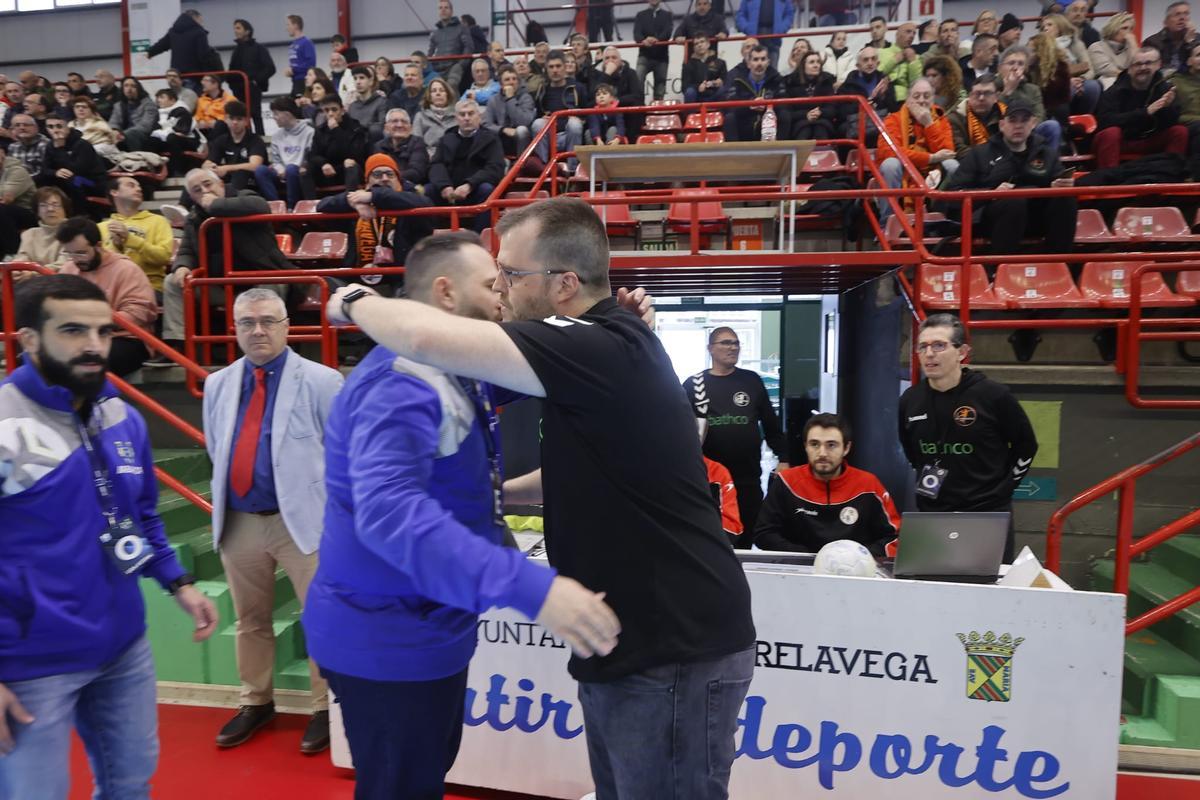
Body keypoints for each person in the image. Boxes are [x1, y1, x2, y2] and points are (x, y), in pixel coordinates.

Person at [325, 198, 755, 799]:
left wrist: (353, 299)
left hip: (669, 647)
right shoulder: (607, 341)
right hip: (635, 642)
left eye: (511, 273)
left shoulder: (589, 345)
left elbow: (422, 335)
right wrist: (491, 493)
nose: (502, 287)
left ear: (564, 285)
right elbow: (582, 470)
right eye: (493, 275)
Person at [0, 274, 217, 800]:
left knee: (130, 785)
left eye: (103, 331)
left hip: (124, 648)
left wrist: (177, 582)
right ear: (30, 339)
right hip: (30, 664)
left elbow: (138, 513)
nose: (94, 346)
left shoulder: (119, 413)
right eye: (73, 331)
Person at [200, 287, 342, 753]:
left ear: (286, 325)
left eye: (268, 321)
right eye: (247, 323)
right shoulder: (218, 384)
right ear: (235, 328)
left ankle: (326, 708)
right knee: (250, 619)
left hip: (302, 521)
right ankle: (256, 701)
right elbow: (216, 449)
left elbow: (343, 457)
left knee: (321, 619)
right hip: (239, 520)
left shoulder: (323, 381)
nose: (257, 330)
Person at [898, 314, 1038, 562]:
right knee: (931, 592)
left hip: (986, 514)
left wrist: (1004, 488)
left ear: (961, 352)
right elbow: (912, 452)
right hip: (932, 513)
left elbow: (1026, 446)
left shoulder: (993, 396)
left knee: (985, 592)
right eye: (923, 346)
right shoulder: (910, 400)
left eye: (939, 345)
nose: (929, 353)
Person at [153, 168, 291, 360]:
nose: (204, 191)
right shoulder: (194, 217)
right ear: (191, 197)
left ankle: (268, 347)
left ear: (220, 183)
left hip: (259, 281)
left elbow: (260, 206)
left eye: (207, 184)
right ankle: (177, 346)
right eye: (196, 190)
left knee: (272, 284)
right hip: (218, 286)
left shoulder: (245, 196)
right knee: (171, 283)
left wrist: (215, 205)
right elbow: (186, 251)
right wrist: (182, 266)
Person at [683, 325, 787, 542]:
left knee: (746, 539)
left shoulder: (751, 381)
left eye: (736, 343)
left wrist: (784, 458)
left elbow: (771, 424)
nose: (733, 347)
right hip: (709, 483)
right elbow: (679, 431)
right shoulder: (694, 384)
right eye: (726, 343)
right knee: (712, 540)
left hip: (748, 480)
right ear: (710, 348)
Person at [755, 413, 900, 556]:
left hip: (855, 572)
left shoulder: (869, 485)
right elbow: (763, 534)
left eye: (831, 445)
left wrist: (858, 556)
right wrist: (810, 558)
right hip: (800, 571)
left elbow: (895, 538)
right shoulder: (786, 482)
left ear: (846, 448)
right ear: (806, 446)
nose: (822, 453)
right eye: (814, 444)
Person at [943, 98, 1076, 254]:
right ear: (1002, 125)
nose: (1018, 125)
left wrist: (1060, 186)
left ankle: (1060, 265)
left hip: (1038, 218)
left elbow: (1059, 182)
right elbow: (953, 196)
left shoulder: (1047, 154)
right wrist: (991, 194)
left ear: (1033, 123)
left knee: (1066, 199)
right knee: (1013, 201)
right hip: (992, 220)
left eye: (1024, 120)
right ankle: (1001, 268)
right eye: (1012, 120)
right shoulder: (979, 154)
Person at [316, 152, 433, 296]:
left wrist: (375, 195)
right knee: (327, 286)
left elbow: (427, 205)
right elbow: (322, 205)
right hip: (359, 279)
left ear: (398, 180)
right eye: (377, 175)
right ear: (367, 182)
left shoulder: (411, 200)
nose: (384, 179)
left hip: (401, 280)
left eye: (390, 174)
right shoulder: (358, 202)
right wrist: (352, 203)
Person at [53, 217, 158, 376]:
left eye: (81, 253)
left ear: (99, 246)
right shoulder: (68, 270)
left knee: (90, 363)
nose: (75, 260)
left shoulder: (126, 269)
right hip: (80, 338)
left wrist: (97, 322)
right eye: (70, 254)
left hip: (126, 339)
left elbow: (140, 312)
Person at [1094, 46, 1188, 168]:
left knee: (1179, 132)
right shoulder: (1115, 91)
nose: (1142, 68)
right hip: (1122, 141)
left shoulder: (1166, 89)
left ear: (1158, 65)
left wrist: (1167, 108)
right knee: (1110, 133)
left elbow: (1172, 123)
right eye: (1137, 64)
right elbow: (1104, 121)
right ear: (1129, 69)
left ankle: (1168, 176)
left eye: (1148, 63)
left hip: (1151, 140)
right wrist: (1145, 112)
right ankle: (1109, 182)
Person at [428, 99, 505, 231]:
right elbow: (436, 165)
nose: (466, 118)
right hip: (448, 191)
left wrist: (469, 185)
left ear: (479, 116)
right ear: (456, 118)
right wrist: (444, 186)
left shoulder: (491, 138)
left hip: (475, 190)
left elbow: (495, 168)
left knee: (486, 190)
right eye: (462, 114)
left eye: (471, 114)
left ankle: (481, 239)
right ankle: (428, 238)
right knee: (428, 191)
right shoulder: (446, 138)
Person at [99, 175, 173, 295]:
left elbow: (163, 257)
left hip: (149, 286)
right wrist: (116, 246)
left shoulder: (159, 221)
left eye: (139, 187)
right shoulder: (100, 227)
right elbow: (98, 263)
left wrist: (130, 239)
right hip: (111, 287)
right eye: (131, 185)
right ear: (114, 192)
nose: (139, 189)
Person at [997, 45, 1062, 155]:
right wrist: (1008, 90)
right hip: (1002, 133)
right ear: (999, 68)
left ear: (1025, 69)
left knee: (1052, 126)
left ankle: (1050, 166)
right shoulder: (991, 86)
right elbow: (995, 116)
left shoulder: (1033, 89)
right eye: (1011, 63)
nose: (1015, 67)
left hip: (1030, 132)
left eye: (1021, 64)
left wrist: (1025, 128)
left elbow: (1039, 116)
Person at [37, 117, 108, 216]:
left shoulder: (82, 144)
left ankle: (81, 215)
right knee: (40, 179)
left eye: (59, 126)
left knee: (74, 180)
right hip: (67, 178)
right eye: (50, 127)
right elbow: (44, 169)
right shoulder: (50, 145)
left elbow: (78, 170)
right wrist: (55, 172)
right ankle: (43, 214)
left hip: (93, 182)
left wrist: (60, 148)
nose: (55, 130)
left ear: (68, 127)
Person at [255, 96, 315, 210]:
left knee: (292, 168)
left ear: (287, 114)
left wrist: (296, 168)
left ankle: (292, 207)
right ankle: (277, 206)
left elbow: (310, 156)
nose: (274, 117)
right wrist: (280, 169)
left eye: (276, 114)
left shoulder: (309, 132)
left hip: (300, 174)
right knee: (260, 170)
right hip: (282, 173)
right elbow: (276, 160)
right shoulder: (277, 136)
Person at [201, 100, 268, 193]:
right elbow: (207, 163)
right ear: (225, 119)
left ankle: (232, 203)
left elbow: (255, 166)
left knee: (240, 173)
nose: (235, 122)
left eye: (239, 119)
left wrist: (226, 168)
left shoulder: (255, 140)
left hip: (250, 182)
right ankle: (183, 205)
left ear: (246, 121)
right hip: (229, 179)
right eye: (231, 118)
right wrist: (210, 167)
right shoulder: (221, 140)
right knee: (197, 175)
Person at [723, 43, 785, 142]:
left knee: (784, 115)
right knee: (729, 118)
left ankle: (783, 149)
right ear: (748, 63)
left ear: (768, 62)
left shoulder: (777, 80)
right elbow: (729, 107)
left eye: (763, 59)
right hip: (745, 126)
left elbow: (784, 105)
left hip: (768, 125)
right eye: (755, 60)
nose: (759, 63)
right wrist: (750, 105)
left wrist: (767, 106)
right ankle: (734, 154)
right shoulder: (737, 81)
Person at [532, 50, 584, 166]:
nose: (555, 70)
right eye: (551, 67)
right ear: (546, 69)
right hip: (549, 137)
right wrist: (543, 118)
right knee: (538, 123)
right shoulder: (542, 90)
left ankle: (572, 170)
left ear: (565, 67)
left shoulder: (577, 88)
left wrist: (579, 117)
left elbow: (588, 114)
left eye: (558, 66)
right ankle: (543, 168)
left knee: (574, 124)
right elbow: (537, 115)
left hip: (571, 136)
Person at [309, 94, 369, 192]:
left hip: (351, 169)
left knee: (350, 163)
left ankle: (350, 200)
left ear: (342, 110)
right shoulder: (321, 130)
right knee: (305, 169)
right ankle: (310, 204)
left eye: (334, 109)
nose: (330, 113)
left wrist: (336, 130)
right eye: (326, 110)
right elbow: (312, 155)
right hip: (328, 171)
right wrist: (324, 164)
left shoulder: (355, 127)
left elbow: (356, 154)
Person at [838, 46, 899, 143]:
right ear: (858, 65)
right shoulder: (847, 86)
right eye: (865, 60)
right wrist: (864, 105)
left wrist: (883, 97)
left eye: (873, 59)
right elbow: (841, 113)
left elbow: (894, 109)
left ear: (877, 63)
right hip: (857, 125)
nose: (870, 63)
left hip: (881, 122)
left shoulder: (885, 82)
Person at [229, 19, 276, 135]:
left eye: (238, 28)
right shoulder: (236, 50)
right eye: (235, 28)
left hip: (253, 88)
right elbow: (232, 70)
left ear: (247, 31)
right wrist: (232, 84)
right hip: (238, 89)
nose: (235, 31)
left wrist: (256, 81)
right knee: (240, 116)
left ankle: (260, 140)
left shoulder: (259, 48)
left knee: (255, 114)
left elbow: (270, 68)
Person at [784, 51, 839, 139]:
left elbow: (832, 108)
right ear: (803, 66)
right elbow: (787, 112)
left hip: (822, 121)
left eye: (818, 62)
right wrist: (806, 114)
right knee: (804, 131)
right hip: (800, 123)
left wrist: (820, 112)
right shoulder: (790, 83)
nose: (816, 65)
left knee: (820, 129)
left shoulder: (827, 81)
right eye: (811, 62)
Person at [484, 65, 536, 157]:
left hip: (521, 139)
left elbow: (523, 121)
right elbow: (486, 124)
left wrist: (510, 99)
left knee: (521, 130)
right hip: (501, 137)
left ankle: (521, 165)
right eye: (507, 80)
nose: (511, 82)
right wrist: (502, 130)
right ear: (501, 84)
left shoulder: (526, 98)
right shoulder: (493, 100)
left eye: (514, 79)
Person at [146, 88, 200, 177]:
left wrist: (163, 132)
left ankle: (178, 170)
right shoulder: (159, 113)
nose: (159, 100)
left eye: (162, 97)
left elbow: (182, 131)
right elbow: (154, 130)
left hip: (188, 140)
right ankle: (154, 170)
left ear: (172, 100)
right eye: (158, 98)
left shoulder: (182, 111)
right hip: (167, 139)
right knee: (151, 140)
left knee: (172, 138)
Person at [146, 9, 214, 78]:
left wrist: (149, 53)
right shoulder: (199, 32)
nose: (201, 24)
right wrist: (208, 73)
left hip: (177, 74)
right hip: (194, 74)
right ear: (195, 18)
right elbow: (203, 55)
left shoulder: (173, 31)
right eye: (201, 21)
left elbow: (161, 45)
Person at [373, 108, 431, 189]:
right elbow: (376, 173)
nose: (399, 125)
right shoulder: (378, 146)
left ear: (410, 128)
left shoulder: (418, 143)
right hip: (384, 188)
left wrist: (389, 177)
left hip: (410, 188)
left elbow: (416, 173)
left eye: (404, 122)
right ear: (386, 128)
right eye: (394, 121)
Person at [13, 187, 68, 270]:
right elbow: (21, 259)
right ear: (37, 211)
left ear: (65, 209)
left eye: (56, 205)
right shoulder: (29, 234)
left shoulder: (72, 233)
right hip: (29, 279)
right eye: (43, 205)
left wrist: (33, 274)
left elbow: (63, 265)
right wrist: (17, 270)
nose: (50, 209)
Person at [949, 77, 1003, 156]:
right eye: (977, 93)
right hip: (969, 163)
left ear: (997, 96)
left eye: (987, 93)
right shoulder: (956, 118)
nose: (981, 98)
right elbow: (959, 150)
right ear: (970, 95)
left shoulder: (1005, 115)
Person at [429, 0, 475, 91]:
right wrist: (431, 65)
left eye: (446, 7)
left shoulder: (461, 28)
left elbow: (469, 47)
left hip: (454, 66)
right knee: (433, 89)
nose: (443, 10)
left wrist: (460, 65)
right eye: (440, 8)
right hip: (438, 68)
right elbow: (430, 52)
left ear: (451, 11)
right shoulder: (435, 33)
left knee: (451, 87)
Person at [0, 148, 37, 260]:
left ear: (2, 153)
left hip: (29, 214)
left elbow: (6, 197)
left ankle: (13, 253)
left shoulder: (17, 170)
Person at [1144, 1, 1199, 75]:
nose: (1182, 18)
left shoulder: (1197, 39)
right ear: (1166, 22)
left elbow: (1196, 65)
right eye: (1177, 14)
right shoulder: (1153, 42)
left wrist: (1191, 42)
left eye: (1186, 14)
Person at [634, 0, 673, 102]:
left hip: (662, 56)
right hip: (644, 55)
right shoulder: (640, 15)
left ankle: (658, 110)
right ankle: (639, 108)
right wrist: (643, 40)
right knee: (638, 82)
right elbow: (637, 33)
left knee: (660, 87)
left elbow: (668, 32)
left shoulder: (667, 15)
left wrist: (657, 40)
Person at [735, 0, 795, 67]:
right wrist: (747, 28)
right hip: (754, 38)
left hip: (774, 38)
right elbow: (741, 15)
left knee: (772, 70)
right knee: (752, 67)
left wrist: (781, 29)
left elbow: (789, 14)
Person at [412, 77, 459, 159]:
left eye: (441, 90)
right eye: (434, 91)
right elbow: (416, 144)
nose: (438, 93)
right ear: (429, 96)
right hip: (429, 158)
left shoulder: (458, 116)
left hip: (454, 157)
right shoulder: (420, 116)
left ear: (447, 94)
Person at [1090, 12, 1139, 90]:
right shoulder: (1097, 46)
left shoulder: (1131, 47)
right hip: (1105, 81)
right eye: (1125, 28)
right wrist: (1129, 78)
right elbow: (1107, 70)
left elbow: (1137, 66)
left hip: (1127, 80)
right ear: (1113, 29)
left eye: (1131, 29)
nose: (1129, 32)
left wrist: (1133, 46)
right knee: (1110, 81)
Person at [108, 77, 157, 150]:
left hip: (143, 137)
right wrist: (114, 131)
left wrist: (124, 134)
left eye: (133, 86)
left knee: (129, 136)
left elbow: (146, 126)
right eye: (126, 86)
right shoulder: (118, 105)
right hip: (122, 137)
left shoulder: (148, 104)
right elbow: (113, 122)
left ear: (139, 89)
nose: (129, 89)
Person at [880, 21, 924, 101]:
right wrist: (894, 61)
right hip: (884, 97)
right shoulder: (882, 52)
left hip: (906, 100)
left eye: (914, 33)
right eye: (908, 32)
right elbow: (876, 75)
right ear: (897, 34)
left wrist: (913, 62)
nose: (911, 36)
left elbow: (917, 84)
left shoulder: (916, 58)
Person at [682, 33, 728, 104]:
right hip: (697, 96)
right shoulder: (688, 65)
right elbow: (684, 86)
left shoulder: (720, 62)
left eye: (702, 42)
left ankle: (723, 115)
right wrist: (698, 87)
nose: (699, 45)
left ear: (708, 44)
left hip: (714, 94)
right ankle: (689, 115)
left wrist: (715, 83)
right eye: (696, 44)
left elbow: (725, 81)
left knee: (722, 89)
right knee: (689, 92)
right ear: (694, 48)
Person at [6, 114, 53, 181]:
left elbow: (46, 173)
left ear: (36, 127)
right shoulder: (13, 147)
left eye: (26, 125)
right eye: (17, 125)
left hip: (40, 185)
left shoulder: (46, 145)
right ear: (13, 129)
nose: (22, 128)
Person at [348, 66, 388, 142]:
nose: (358, 82)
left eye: (362, 78)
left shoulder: (381, 102)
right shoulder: (352, 106)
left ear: (370, 81)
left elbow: (381, 127)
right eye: (355, 78)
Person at [286, 15, 317, 98]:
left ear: (295, 25)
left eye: (288, 25)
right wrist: (289, 70)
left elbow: (311, 64)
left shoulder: (306, 42)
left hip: (303, 81)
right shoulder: (292, 45)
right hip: (295, 81)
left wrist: (293, 69)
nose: (287, 28)